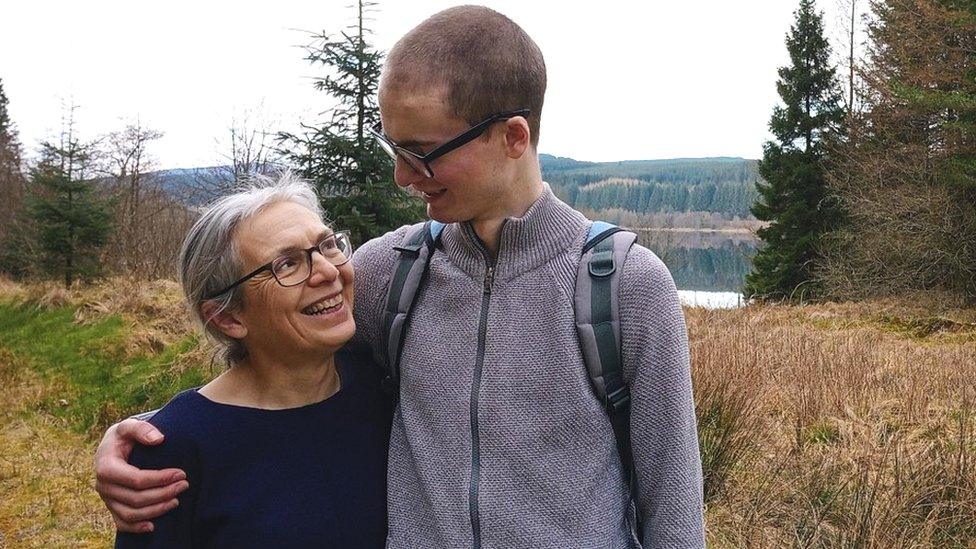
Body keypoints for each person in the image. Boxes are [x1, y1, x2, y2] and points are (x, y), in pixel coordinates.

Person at [96, 6, 705, 547]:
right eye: (394, 150)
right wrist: (152, 437)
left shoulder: (623, 284)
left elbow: (673, 509)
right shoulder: (393, 269)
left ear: (512, 137)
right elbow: (273, 344)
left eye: (421, 152)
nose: (401, 176)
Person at [113, 174, 389, 548]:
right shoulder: (177, 448)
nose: (328, 271)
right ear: (228, 318)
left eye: (326, 245)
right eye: (287, 264)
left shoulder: (384, 391)